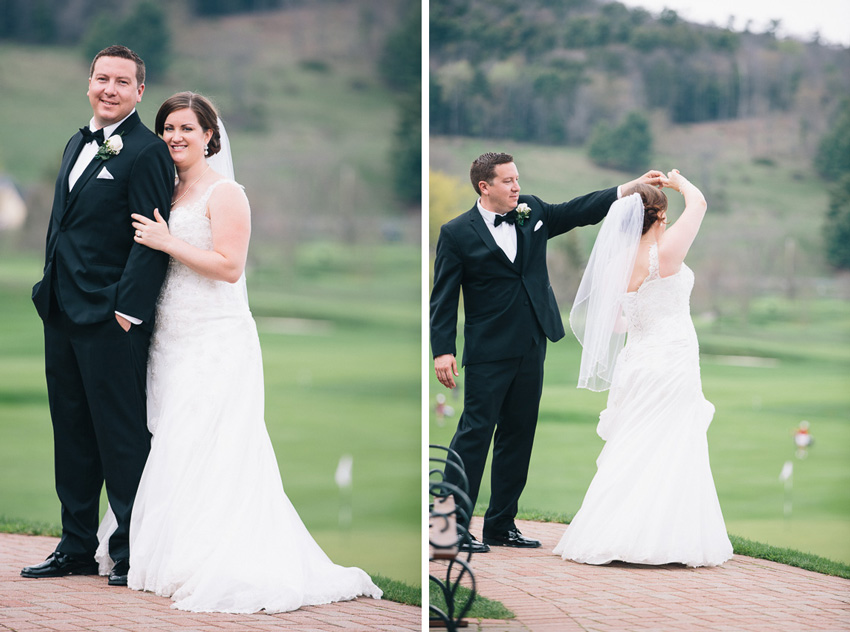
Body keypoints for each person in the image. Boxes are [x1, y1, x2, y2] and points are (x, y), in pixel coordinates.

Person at [94, 91, 382, 613]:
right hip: (169, 336)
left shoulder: (227, 193)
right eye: (168, 129)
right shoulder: (168, 187)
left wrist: (167, 242)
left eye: (187, 128)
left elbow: (229, 266)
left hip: (215, 337)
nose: (176, 137)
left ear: (210, 136)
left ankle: (210, 558)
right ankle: (166, 553)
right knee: (169, 441)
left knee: (212, 443)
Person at [430, 151, 664, 553]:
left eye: (517, 179)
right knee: (474, 434)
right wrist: (443, 350)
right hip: (488, 350)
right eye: (507, 181)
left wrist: (630, 189)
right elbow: (443, 298)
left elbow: (577, 211)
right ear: (484, 187)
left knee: (518, 435)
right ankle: (448, 530)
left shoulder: (532, 211)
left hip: (532, 342)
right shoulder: (456, 233)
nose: (517, 186)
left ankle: (501, 526)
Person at [23, 45, 174, 586]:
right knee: (72, 433)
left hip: (113, 319)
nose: (110, 88)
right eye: (101, 78)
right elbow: (62, 226)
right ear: (89, 83)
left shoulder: (147, 152)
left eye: (122, 81)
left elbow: (151, 241)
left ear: (139, 91)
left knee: (121, 436)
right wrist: (49, 289)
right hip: (62, 311)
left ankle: (131, 551)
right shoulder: (75, 141)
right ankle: (76, 547)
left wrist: (128, 313)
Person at [553, 171, 734, 567]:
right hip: (671, 360)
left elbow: (617, 322)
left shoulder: (620, 263)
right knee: (673, 441)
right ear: (660, 216)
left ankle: (608, 531)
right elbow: (700, 204)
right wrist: (681, 181)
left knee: (634, 442)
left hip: (638, 361)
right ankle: (665, 538)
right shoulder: (665, 256)